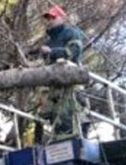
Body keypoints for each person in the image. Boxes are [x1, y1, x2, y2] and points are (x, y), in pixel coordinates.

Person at [35, 4, 88, 140]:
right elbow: (45, 64)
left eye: (53, 17)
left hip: (70, 84)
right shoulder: (49, 41)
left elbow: (74, 52)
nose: (49, 20)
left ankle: (73, 140)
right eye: (48, 18)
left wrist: (52, 52)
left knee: (69, 116)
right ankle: (47, 142)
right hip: (53, 88)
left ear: (62, 18)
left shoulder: (71, 33)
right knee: (47, 117)